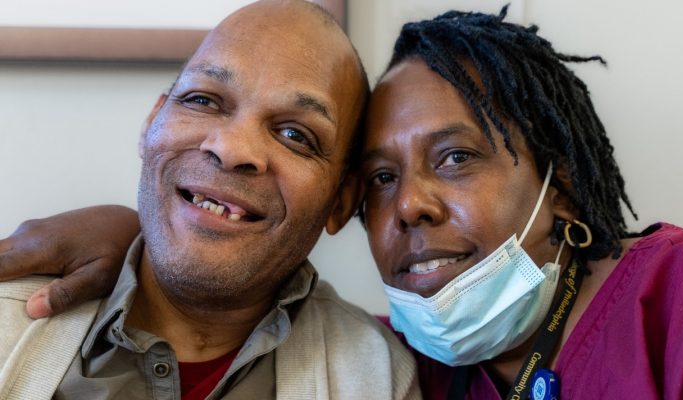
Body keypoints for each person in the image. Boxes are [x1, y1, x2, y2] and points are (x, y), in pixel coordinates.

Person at [4, 5, 683, 400]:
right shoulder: (410, 351)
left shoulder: (681, 300)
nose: (410, 207)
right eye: (380, 178)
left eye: (455, 157)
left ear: (565, 184)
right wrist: (140, 234)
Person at [0, 1, 420, 399]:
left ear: (341, 203)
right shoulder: (10, 322)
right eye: (202, 100)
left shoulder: (378, 376)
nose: (233, 148)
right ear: (152, 124)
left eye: (295, 135)